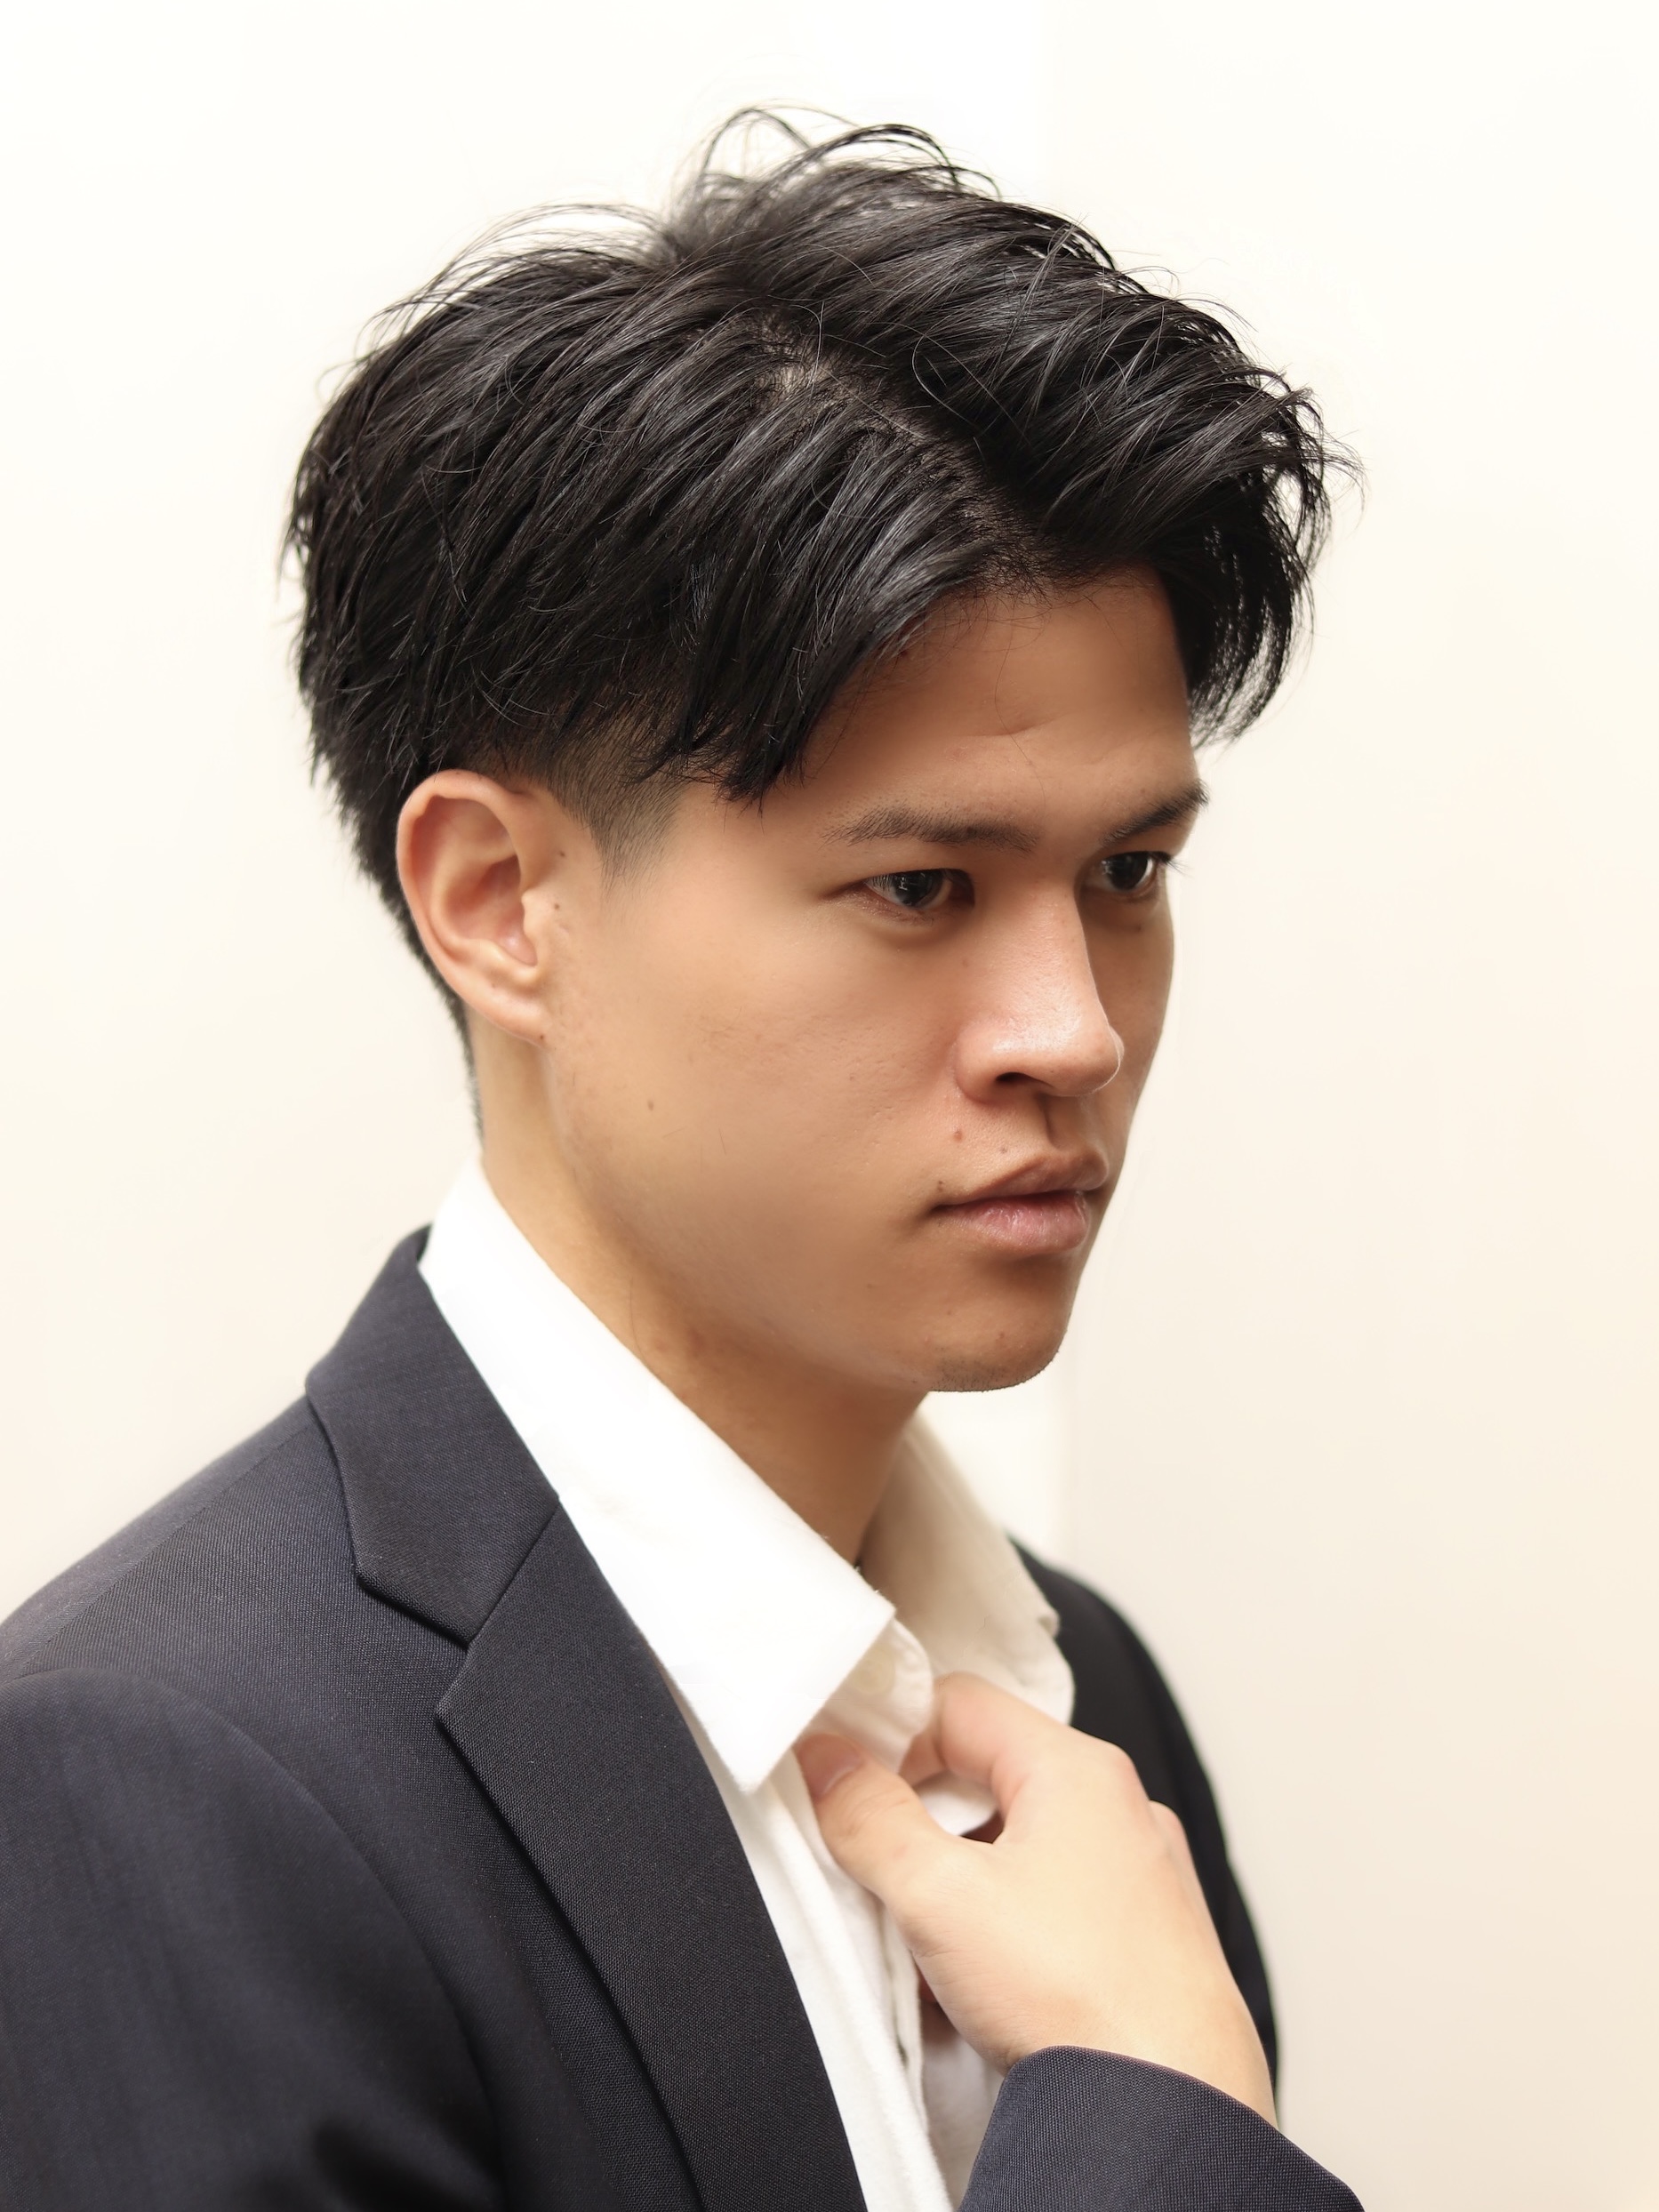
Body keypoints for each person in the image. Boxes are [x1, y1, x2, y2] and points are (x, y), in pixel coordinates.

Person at [0, 118, 1361, 2209]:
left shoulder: (1087, 1702)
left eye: (1129, 873)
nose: (1074, 1028)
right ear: (499, 899)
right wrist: (1143, 2121)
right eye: (921, 885)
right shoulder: (160, 1783)